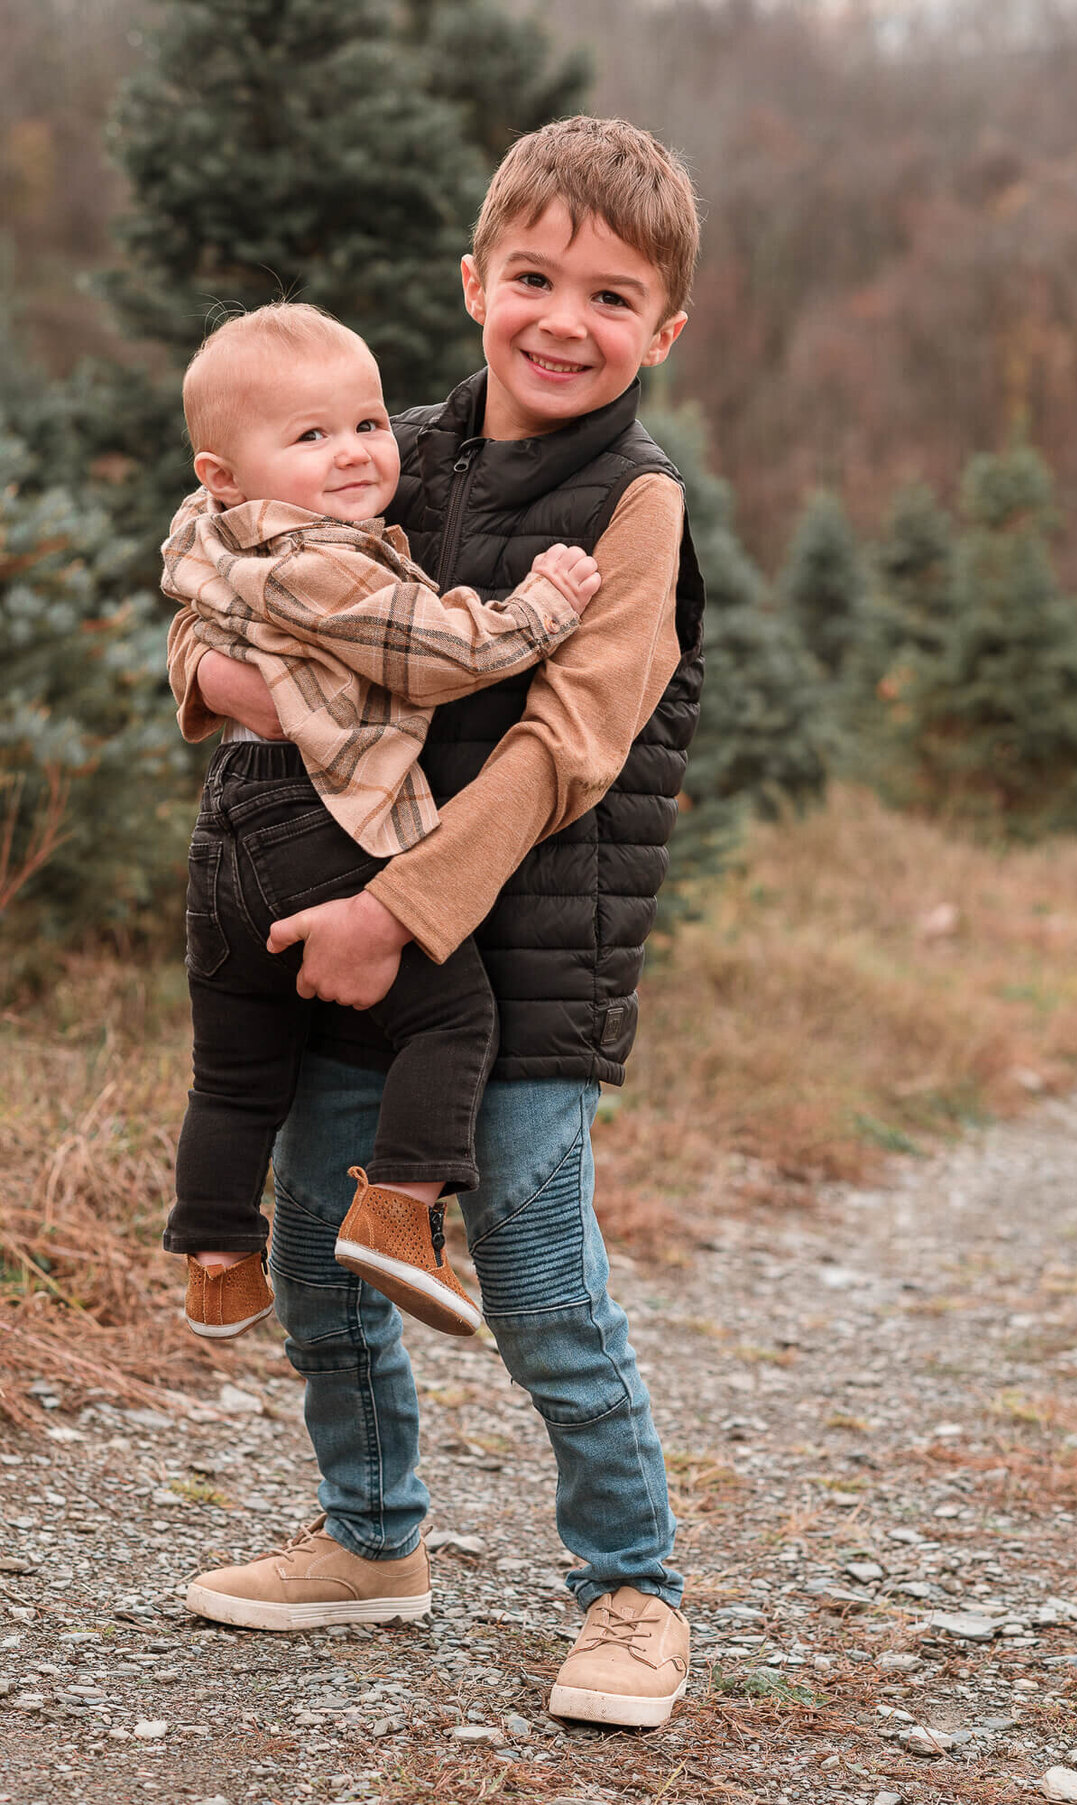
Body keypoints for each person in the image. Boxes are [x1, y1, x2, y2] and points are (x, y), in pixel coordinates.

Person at [171, 115, 705, 1730]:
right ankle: (371, 1536)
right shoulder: (387, 444)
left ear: (664, 332)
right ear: (476, 281)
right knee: (319, 1258)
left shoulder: (636, 508)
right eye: (534, 277)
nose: (565, 319)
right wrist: (199, 676)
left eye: (613, 298)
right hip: (340, 935)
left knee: (541, 1281)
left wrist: (396, 913)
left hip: (514, 954)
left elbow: (568, 748)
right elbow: (234, 563)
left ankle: (631, 1588)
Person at [163, 301, 600, 1342]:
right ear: (226, 470)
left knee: (234, 1071)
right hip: (316, 820)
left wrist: (210, 671)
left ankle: (220, 1259)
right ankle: (398, 1208)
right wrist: (542, 603)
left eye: (366, 423)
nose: (357, 453)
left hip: (228, 828)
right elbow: (434, 652)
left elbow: (190, 622)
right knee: (450, 1016)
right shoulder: (322, 558)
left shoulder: (209, 527)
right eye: (310, 437)